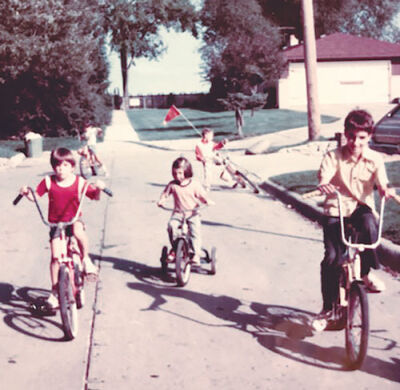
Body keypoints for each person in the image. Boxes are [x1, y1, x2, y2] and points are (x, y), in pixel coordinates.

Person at [315, 109, 395, 320]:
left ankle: (366, 272)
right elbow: (325, 176)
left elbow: (382, 182)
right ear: (345, 134)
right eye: (351, 136)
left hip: (361, 206)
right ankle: (327, 308)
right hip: (337, 208)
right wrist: (324, 184)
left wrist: (386, 190)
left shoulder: (375, 159)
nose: (355, 142)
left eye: (361, 138)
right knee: (332, 257)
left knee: (370, 225)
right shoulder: (333, 156)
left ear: (369, 136)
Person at [19, 147, 105, 308]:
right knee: (55, 257)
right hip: (55, 224)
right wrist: (26, 193)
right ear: (53, 167)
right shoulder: (48, 181)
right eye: (57, 165)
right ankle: (54, 293)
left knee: (78, 231)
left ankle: (86, 258)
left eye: (65, 165)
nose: (61, 169)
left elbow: (94, 196)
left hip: (73, 220)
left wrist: (99, 188)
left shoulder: (79, 182)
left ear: (73, 166)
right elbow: (35, 197)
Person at [157, 157, 214, 264]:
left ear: (187, 171)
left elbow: (202, 196)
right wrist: (162, 200)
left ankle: (195, 254)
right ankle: (175, 249)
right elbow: (165, 194)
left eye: (180, 173)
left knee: (195, 232)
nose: (177, 176)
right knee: (171, 226)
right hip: (178, 213)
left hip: (192, 213)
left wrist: (207, 201)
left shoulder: (194, 185)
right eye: (174, 173)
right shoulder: (172, 185)